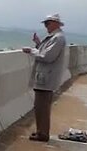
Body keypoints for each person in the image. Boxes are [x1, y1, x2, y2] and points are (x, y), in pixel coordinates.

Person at [22, 14, 66, 142]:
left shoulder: (58, 38)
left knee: (42, 107)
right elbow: (46, 52)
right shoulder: (55, 37)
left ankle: (43, 134)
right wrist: (38, 44)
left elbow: (47, 57)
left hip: (47, 78)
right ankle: (40, 132)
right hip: (44, 77)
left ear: (55, 23)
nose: (46, 26)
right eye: (45, 24)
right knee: (40, 106)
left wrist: (31, 51)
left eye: (48, 23)